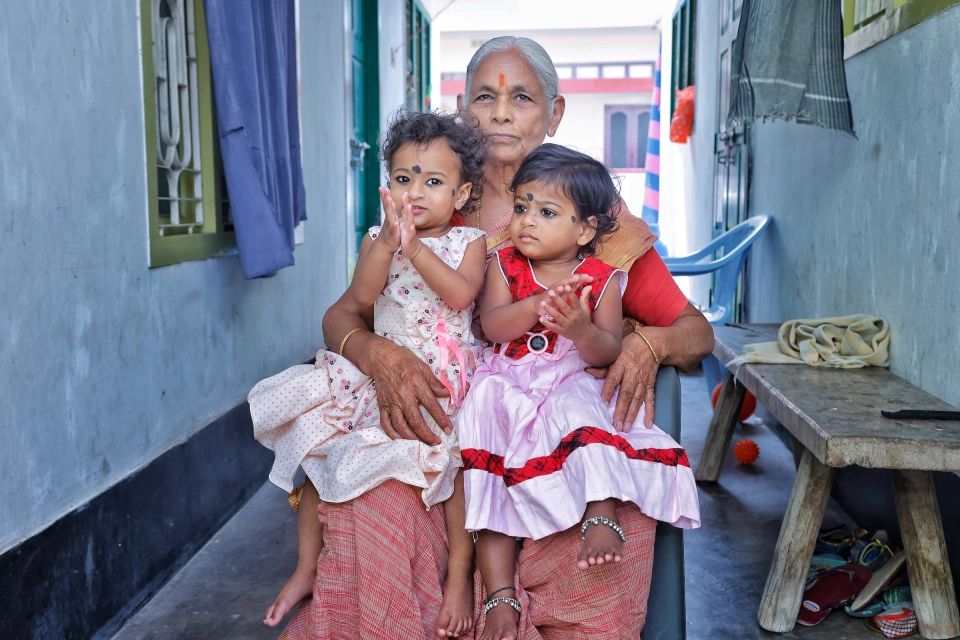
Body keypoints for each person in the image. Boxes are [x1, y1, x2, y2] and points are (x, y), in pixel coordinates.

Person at [293, 36, 714, 639]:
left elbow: (694, 330)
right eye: (484, 97)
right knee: (371, 504)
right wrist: (378, 354)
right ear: (465, 111)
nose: (499, 112)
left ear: (555, 113)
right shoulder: (434, 205)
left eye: (521, 97)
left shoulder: (597, 224)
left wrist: (646, 345)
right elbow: (345, 314)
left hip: (555, 425)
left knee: (604, 511)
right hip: (442, 430)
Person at [248, 111, 487, 638]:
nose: (415, 192)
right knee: (322, 455)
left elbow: (461, 294)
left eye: (433, 181)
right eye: (404, 179)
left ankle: (457, 580)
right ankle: (307, 569)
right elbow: (360, 298)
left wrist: (416, 249)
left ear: (462, 192)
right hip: (380, 372)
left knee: (460, 476)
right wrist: (385, 245)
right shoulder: (380, 236)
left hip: (444, 378)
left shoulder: (469, 241)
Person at [458, 144, 700, 640]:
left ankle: (600, 510)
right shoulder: (502, 264)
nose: (527, 221)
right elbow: (493, 326)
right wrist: (536, 308)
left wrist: (580, 329)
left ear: (585, 229)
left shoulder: (603, 279)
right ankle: (501, 595)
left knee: (584, 408)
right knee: (487, 474)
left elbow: (606, 349)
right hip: (509, 380)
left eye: (547, 212)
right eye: (522, 206)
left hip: (567, 375)